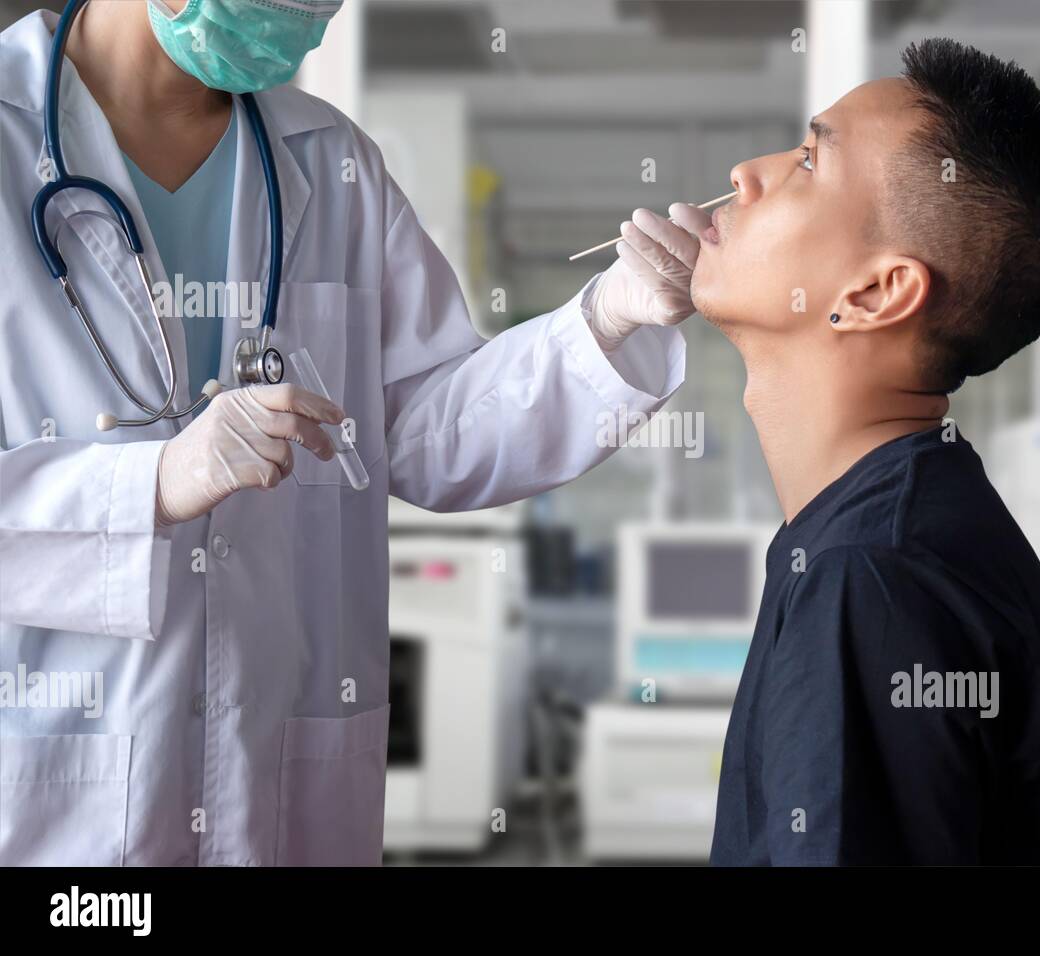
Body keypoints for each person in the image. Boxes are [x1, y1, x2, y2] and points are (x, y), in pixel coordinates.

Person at [0, 0, 709, 865]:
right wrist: (147, 486)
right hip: (51, 787)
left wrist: (604, 322)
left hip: (274, 778)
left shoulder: (330, 163)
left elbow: (424, 432)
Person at [697, 39, 1040, 865]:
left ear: (878, 292)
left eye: (810, 161)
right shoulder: (892, 527)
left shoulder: (873, 574)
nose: (748, 172)